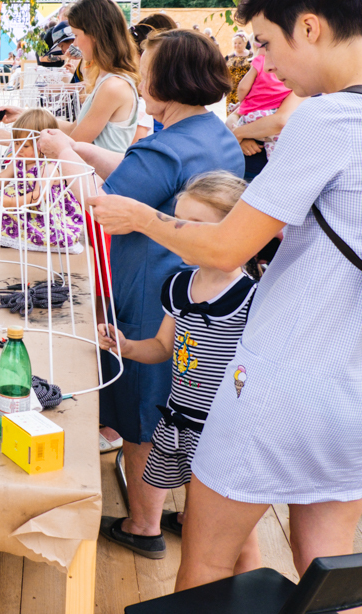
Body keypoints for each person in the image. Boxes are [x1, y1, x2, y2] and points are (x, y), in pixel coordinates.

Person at [87, 0, 362, 591]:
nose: (264, 63)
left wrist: (143, 217)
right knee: (329, 571)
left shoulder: (327, 118)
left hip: (285, 385)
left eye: (264, 42)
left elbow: (229, 246)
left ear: (309, 25)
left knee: (205, 566)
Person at [37, 28, 244, 560]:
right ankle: (184, 511)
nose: (140, 77)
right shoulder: (212, 134)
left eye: (147, 68)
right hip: (195, 284)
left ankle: (143, 523)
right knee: (179, 400)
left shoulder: (168, 145)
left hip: (152, 285)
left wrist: (63, 155)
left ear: (166, 81)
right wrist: (82, 148)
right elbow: (139, 181)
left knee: (144, 403)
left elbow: (105, 206)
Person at [97, 171, 260, 572]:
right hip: (179, 420)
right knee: (202, 521)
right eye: (179, 220)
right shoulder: (178, 285)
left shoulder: (253, 298)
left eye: (199, 225)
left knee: (235, 539)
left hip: (221, 432)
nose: (183, 232)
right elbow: (163, 347)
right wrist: (127, 346)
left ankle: (247, 593)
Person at [0, 108, 85, 253]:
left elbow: (40, 196)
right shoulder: (19, 160)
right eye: (16, 143)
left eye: (25, 145)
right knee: (2, 215)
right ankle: (14, 234)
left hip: (45, 210)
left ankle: (39, 238)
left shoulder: (50, 167)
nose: (18, 149)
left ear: (43, 144)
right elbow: (2, 177)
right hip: (23, 205)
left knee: (51, 231)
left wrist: (11, 202)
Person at [54, 0, 141, 154]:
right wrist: (30, 117)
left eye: (77, 36)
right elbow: (75, 128)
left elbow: (73, 145)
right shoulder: (108, 79)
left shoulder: (113, 86)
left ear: (94, 35)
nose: (75, 43)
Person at [227, 53, 302, 180]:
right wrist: (242, 137)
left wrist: (240, 133)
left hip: (265, 173)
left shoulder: (300, 88)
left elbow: (279, 121)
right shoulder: (264, 95)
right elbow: (232, 117)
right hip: (247, 168)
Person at [225, 33, 252, 109]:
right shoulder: (229, 57)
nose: (237, 45)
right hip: (232, 91)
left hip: (247, 90)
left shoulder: (251, 55)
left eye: (239, 43)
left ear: (245, 43)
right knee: (231, 114)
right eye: (235, 43)